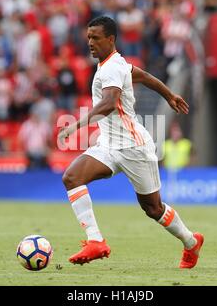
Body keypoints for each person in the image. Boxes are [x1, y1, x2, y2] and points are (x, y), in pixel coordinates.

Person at [57, 16, 203, 269]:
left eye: (96, 38)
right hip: (109, 145)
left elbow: (109, 103)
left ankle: (191, 242)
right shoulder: (115, 63)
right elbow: (145, 76)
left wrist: (77, 124)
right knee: (72, 177)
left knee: (153, 208)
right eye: (88, 37)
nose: (90, 42)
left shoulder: (112, 68)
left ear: (111, 39)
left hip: (134, 148)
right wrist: (169, 95)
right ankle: (96, 241)